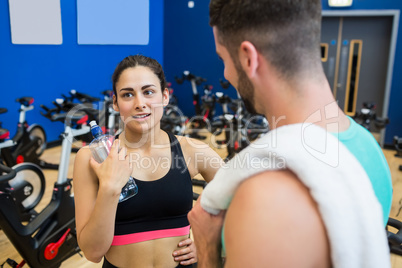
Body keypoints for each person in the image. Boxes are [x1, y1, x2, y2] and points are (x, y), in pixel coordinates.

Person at [188, 0, 391, 267]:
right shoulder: (371, 151)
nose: (225, 74)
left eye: (222, 59)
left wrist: (206, 249)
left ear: (249, 59)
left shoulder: (264, 197)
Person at [73, 55, 223, 268]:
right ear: (115, 102)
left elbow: (242, 199)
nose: (140, 104)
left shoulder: (192, 150)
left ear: (165, 97)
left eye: (148, 92)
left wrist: (211, 242)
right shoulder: (92, 158)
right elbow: (93, 252)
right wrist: (109, 188)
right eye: (127, 95)